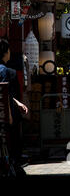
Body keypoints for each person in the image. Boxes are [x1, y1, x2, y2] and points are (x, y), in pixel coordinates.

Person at [0, 39, 28, 176]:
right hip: (4, 115)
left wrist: (17, 103)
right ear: (5, 53)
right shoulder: (7, 71)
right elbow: (5, 94)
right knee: (11, 142)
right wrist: (9, 114)